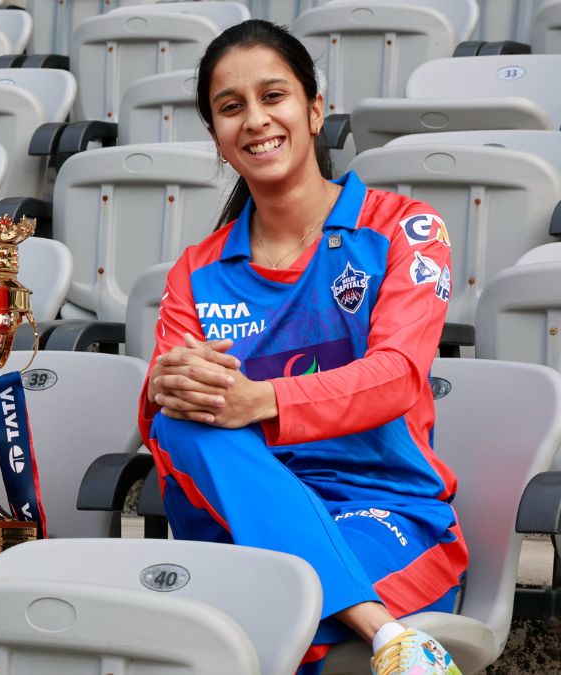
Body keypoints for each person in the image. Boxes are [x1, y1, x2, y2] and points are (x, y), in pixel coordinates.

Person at [139, 20, 466, 675]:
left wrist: (262, 399)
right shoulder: (195, 273)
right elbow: (171, 423)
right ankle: (384, 631)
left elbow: (398, 377)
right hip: (235, 523)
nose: (255, 120)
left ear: (315, 110)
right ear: (217, 137)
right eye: (231, 108)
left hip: (383, 514)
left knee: (274, 618)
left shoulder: (405, 228)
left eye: (274, 96)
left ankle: (357, 615)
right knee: (179, 414)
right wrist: (160, 386)